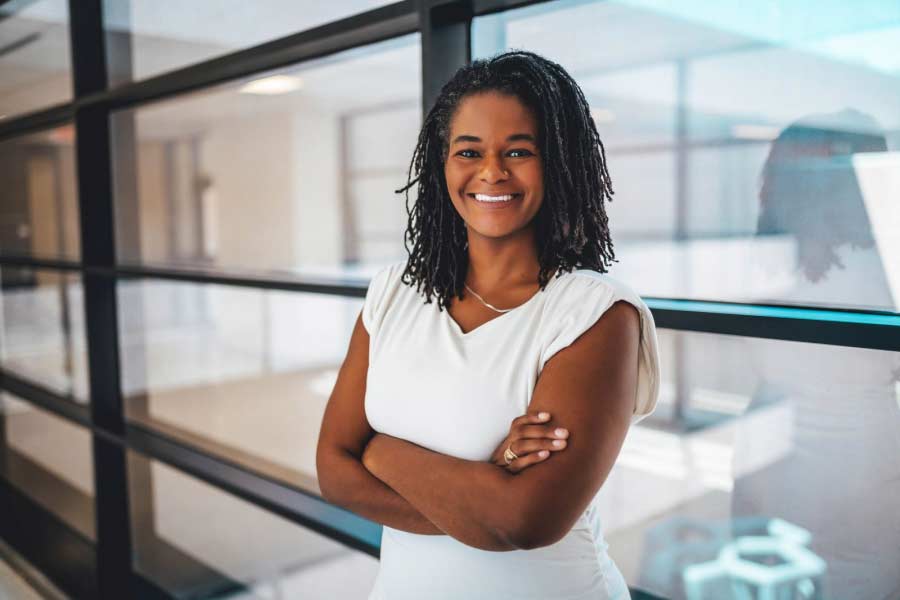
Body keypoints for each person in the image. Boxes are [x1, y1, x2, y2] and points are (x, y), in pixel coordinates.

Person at [316, 50, 661, 600]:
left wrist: (380, 452)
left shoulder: (595, 314)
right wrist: (485, 490)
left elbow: (526, 520)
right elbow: (333, 473)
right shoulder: (393, 293)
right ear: (443, 165)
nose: (492, 171)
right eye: (469, 151)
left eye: (519, 151)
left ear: (558, 163)